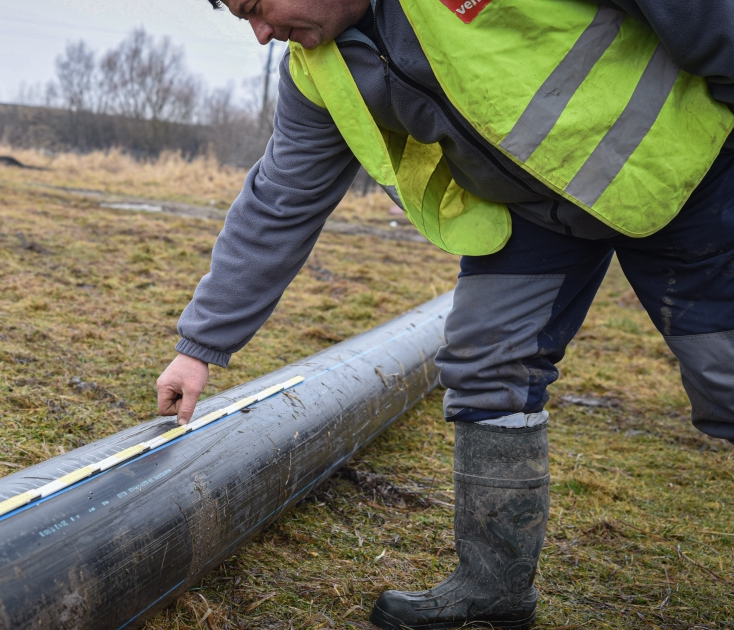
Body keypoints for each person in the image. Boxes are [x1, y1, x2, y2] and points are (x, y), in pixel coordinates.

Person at [155, 1, 734, 628]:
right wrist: (199, 347)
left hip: (687, 166)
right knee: (485, 364)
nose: (262, 33)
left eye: (256, 6)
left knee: (725, 375)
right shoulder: (315, 70)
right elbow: (280, 200)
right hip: (537, 214)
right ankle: (493, 590)